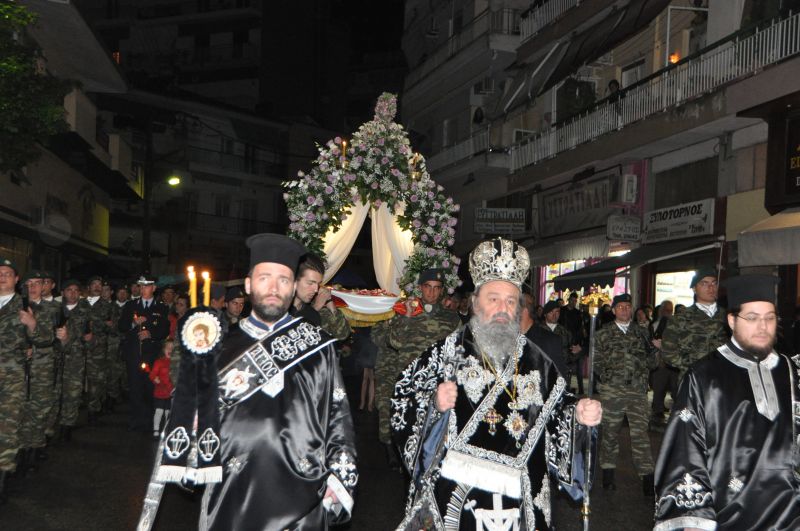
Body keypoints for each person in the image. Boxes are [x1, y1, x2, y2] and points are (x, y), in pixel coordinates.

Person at [392, 238, 602, 530]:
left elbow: (558, 408)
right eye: (494, 299)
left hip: (522, 494)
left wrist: (578, 415)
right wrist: (434, 405)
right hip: (458, 495)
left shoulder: (537, 360)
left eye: (511, 300)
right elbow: (404, 399)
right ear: (476, 302)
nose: (503, 308)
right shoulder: (445, 353)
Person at [155, 233, 357, 529]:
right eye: (265, 278)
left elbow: (338, 417)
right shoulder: (217, 347)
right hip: (231, 494)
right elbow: (188, 428)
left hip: (303, 499)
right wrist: (191, 425)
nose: (274, 288)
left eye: (284, 280)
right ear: (249, 285)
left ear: (293, 288)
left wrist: (339, 480)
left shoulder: (319, 347)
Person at [654, 275, 800, 530]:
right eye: (752, 318)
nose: (763, 326)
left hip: (791, 514)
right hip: (729, 514)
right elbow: (686, 451)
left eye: (770, 317)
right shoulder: (702, 376)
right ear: (732, 320)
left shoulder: (791, 371)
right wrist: (694, 519)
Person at [376, 268, 460, 463]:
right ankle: (396, 453)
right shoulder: (406, 311)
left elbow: (456, 349)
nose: (431, 293)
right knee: (404, 421)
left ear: (441, 291)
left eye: (437, 288)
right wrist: (407, 317)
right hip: (406, 378)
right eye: (428, 287)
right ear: (421, 288)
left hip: (434, 381)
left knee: (429, 423)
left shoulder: (451, 318)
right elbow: (394, 342)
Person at [0, 258, 52, 504]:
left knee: (8, 427)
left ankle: (2, 479)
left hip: (11, 376)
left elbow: (45, 339)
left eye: (7, 273)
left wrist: (33, 325)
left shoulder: (25, 306)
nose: (2, 277)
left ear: (15, 279)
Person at [595, 293, 658, 494]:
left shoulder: (641, 333)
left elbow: (653, 363)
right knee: (611, 432)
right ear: (613, 310)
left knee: (640, 433)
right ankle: (608, 471)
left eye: (628, 307)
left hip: (637, 391)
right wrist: (607, 378)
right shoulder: (603, 334)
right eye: (620, 307)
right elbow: (595, 361)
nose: (625, 310)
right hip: (613, 391)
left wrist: (656, 352)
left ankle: (647, 476)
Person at [17, 271, 60, 472]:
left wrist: (34, 327)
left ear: (44, 285)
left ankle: (34, 450)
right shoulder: (17, 306)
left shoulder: (52, 309)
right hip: (19, 366)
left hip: (42, 366)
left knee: (39, 409)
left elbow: (52, 338)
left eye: (38, 283)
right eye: (30, 283)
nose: (33, 287)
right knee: (21, 409)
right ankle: (21, 450)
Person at [118, 276, 170, 432]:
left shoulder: (161, 307)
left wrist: (151, 333)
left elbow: (164, 330)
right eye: (140, 286)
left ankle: (149, 421)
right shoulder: (131, 305)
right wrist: (134, 323)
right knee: (134, 388)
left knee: (150, 387)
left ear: (153, 288)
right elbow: (121, 326)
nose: (143, 289)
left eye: (146, 286)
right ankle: (135, 420)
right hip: (134, 354)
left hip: (152, 355)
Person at [661, 270, 729, 379]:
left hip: (724, 378)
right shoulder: (680, 318)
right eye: (704, 283)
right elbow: (668, 352)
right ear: (694, 289)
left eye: (714, 283)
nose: (711, 288)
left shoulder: (729, 316)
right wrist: (692, 365)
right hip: (693, 379)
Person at [53, 279, 91, 442]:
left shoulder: (86, 310)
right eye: (69, 290)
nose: (73, 293)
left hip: (75, 358)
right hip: (55, 357)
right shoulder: (55, 309)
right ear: (63, 293)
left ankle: (67, 426)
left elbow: (93, 336)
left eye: (76, 290)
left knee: (72, 393)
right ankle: (49, 427)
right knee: (54, 392)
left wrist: (89, 339)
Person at [291, 253, 350, 340]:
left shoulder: (316, 301)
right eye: (310, 283)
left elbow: (343, 335)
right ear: (294, 280)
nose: (315, 289)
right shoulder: (278, 307)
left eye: (318, 284)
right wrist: (315, 309)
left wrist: (330, 303)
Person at [84, 276, 114, 423]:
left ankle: (93, 410)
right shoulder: (81, 303)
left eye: (99, 284)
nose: (97, 287)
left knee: (96, 380)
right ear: (88, 287)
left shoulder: (108, 306)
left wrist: (99, 324)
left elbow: (112, 327)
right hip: (79, 347)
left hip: (98, 347)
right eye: (93, 284)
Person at [540, 300, 582, 390]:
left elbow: (572, 353)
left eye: (557, 312)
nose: (555, 315)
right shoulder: (537, 330)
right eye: (551, 312)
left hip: (561, 373)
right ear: (545, 314)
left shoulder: (565, 332)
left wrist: (576, 352)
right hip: (541, 373)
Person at [149, 340, 173, 439]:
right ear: (164, 349)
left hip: (171, 392)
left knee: (169, 412)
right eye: (168, 347)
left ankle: (167, 430)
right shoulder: (159, 362)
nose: (170, 350)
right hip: (160, 391)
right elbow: (152, 374)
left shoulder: (176, 362)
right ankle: (156, 430)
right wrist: (155, 379)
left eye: (172, 348)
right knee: (159, 411)